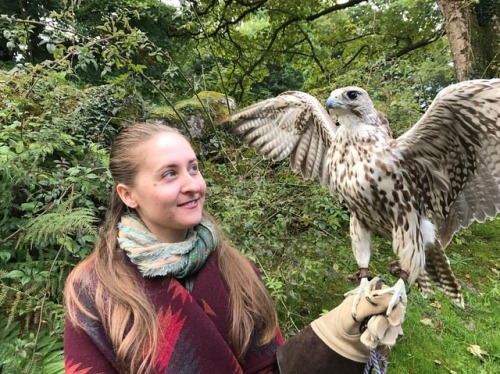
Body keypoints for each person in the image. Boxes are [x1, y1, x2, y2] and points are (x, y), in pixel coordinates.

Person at [64, 122, 405, 374]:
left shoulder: (235, 268)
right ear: (128, 194)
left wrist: (334, 339)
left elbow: (273, 368)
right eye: (170, 174)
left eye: (193, 168)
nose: (193, 185)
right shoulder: (96, 287)